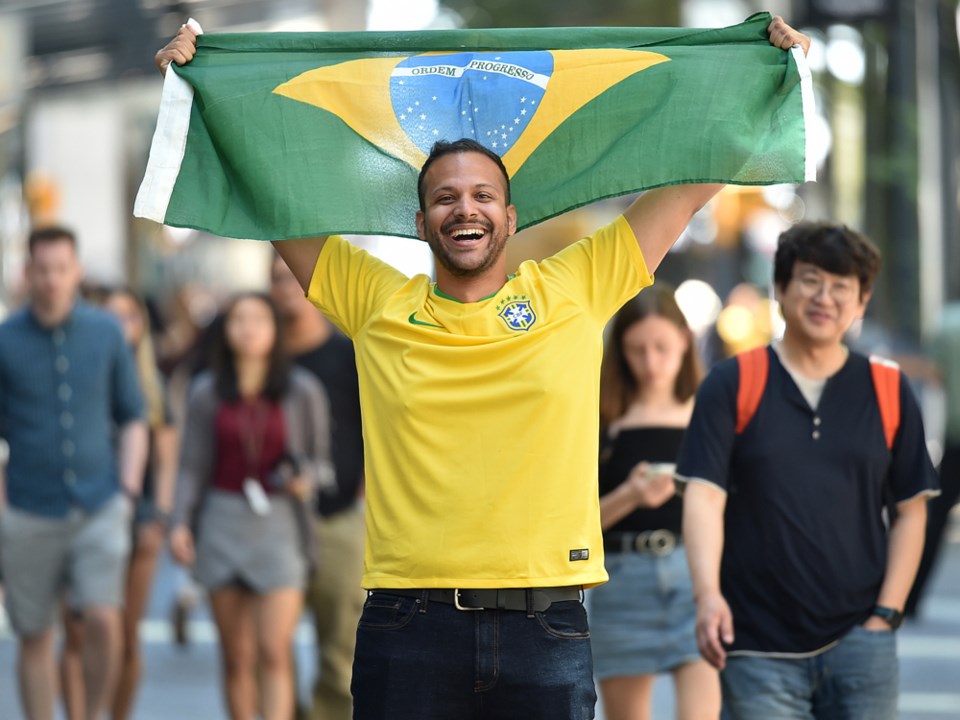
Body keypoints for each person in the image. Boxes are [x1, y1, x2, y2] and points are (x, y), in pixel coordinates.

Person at [155, 18, 811, 719]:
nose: (464, 206)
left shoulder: (576, 285)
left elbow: (689, 185)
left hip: (546, 624)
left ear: (509, 214)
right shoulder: (374, 298)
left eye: (481, 195)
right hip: (407, 625)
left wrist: (760, 70)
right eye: (444, 197)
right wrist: (201, 81)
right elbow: (270, 193)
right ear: (419, 222)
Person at [678, 222, 940, 720]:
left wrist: (887, 614)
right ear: (780, 289)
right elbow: (704, 497)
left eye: (842, 287)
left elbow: (911, 510)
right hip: (757, 645)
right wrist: (707, 595)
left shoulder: (888, 389)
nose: (825, 297)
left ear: (861, 302)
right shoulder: (733, 382)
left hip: (863, 642)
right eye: (811, 279)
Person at [0, 227, 148, 720]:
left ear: (76, 271)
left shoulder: (107, 333)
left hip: (101, 503)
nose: (51, 279)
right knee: (35, 633)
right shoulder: (5, 340)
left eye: (61, 268)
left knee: (104, 619)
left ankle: (96, 712)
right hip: (27, 506)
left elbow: (134, 416)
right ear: (28, 273)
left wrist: (127, 492)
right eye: (42, 269)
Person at [168, 292, 333, 720]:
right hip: (222, 521)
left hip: (280, 526)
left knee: (274, 650)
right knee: (236, 656)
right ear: (225, 330)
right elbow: (191, 466)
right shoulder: (206, 392)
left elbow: (321, 463)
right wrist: (180, 523)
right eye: (239, 319)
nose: (249, 328)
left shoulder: (301, 389)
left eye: (259, 319)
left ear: (276, 330)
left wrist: (304, 480)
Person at [591, 285, 719, 720]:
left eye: (662, 347)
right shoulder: (602, 418)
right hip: (621, 579)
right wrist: (630, 496)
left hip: (696, 577)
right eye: (637, 350)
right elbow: (574, 525)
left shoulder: (709, 412)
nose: (651, 363)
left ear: (685, 339)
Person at [60, 287, 179, 720]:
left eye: (129, 316)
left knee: (126, 636)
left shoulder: (152, 385)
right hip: (78, 513)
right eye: (109, 316)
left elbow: (167, 460)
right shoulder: (73, 375)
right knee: (77, 632)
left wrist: (160, 517)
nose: (118, 325)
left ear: (141, 325)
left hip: (138, 515)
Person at [270, 255, 366, 720]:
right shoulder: (256, 357)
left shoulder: (346, 352)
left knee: (340, 653)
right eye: (275, 279)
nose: (285, 286)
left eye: (293, 277)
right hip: (269, 527)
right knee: (269, 651)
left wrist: (364, 498)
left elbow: (375, 429)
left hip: (337, 519)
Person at [906, 301, 960, 617]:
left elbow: (934, 374)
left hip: (957, 437)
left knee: (933, 517)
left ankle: (908, 597)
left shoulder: (948, 324)